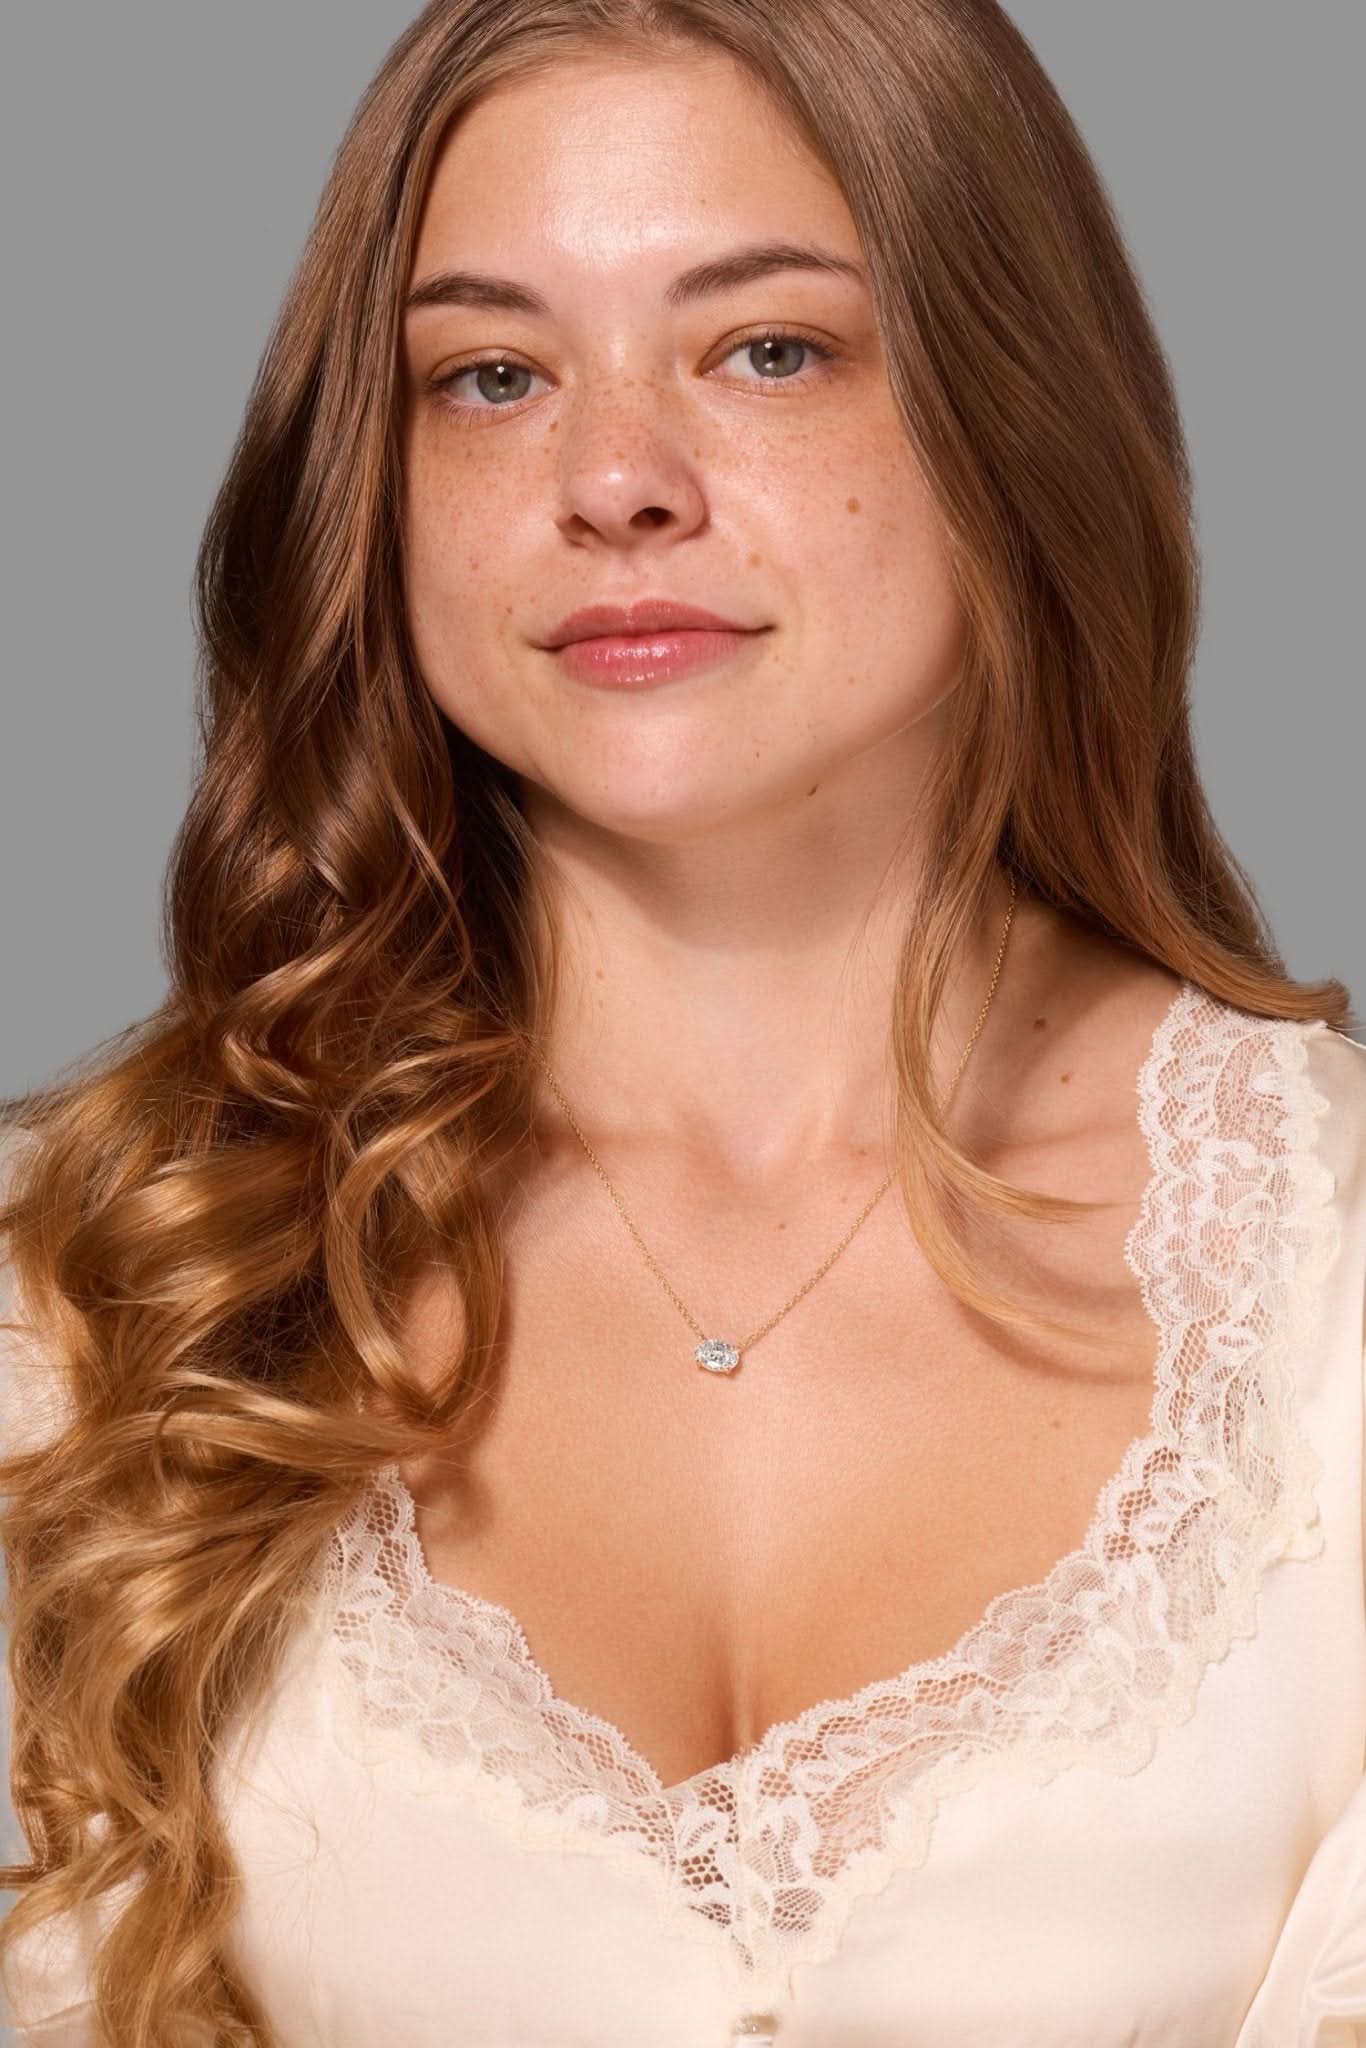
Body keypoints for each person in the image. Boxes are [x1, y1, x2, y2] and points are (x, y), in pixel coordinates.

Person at [1, 1, 1362, 2042]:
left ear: (1008, 404)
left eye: (767, 350)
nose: (612, 480)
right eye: (490, 375)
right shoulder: (94, 1285)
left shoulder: (1334, 1282)